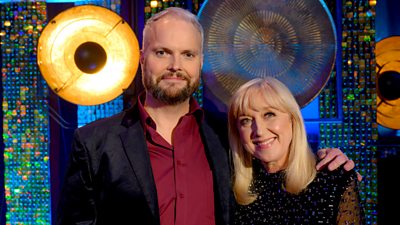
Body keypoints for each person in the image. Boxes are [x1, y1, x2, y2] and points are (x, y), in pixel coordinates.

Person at [56, 7, 356, 225]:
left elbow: (281, 166)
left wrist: (328, 160)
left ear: (200, 61)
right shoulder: (94, 142)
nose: (176, 65)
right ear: (141, 55)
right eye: (162, 52)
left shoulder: (229, 135)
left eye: (187, 54)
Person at [228, 77, 364, 224]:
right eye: (246, 120)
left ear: (293, 119)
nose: (259, 130)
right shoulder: (231, 188)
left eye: (269, 115)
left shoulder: (333, 179)